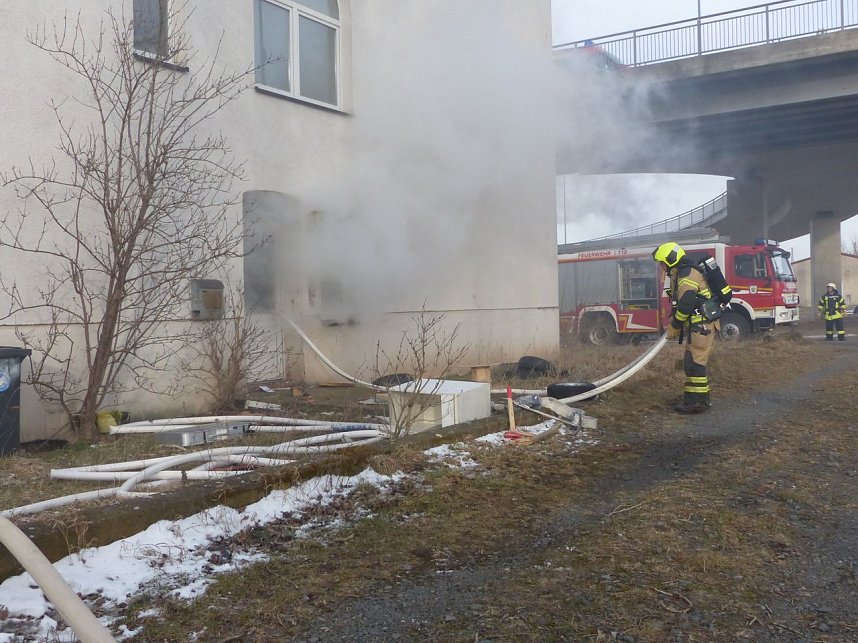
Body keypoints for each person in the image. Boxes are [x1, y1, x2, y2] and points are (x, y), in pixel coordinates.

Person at [652, 242, 719, 414]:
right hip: (701, 325)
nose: (661, 266)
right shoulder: (684, 272)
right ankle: (700, 400)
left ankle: (695, 403)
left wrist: (675, 325)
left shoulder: (686, 273)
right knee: (694, 362)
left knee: (694, 362)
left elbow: (687, 302)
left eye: (662, 262)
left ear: (670, 260)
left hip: (701, 325)